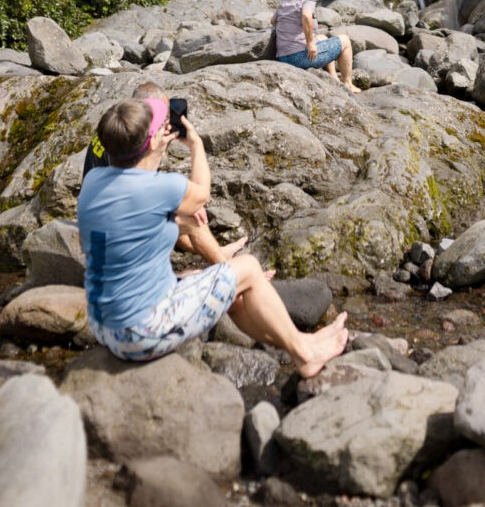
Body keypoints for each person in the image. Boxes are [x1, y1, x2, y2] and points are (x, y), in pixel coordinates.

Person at [77, 97, 349, 370]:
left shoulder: (93, 182)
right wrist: (196, 144)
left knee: (215, 283)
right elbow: (201, 194)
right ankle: (305, 354)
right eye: (161, 127)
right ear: (153, 141)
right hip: (139, 333)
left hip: (104, 325)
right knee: (249, 268)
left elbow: (136, 222)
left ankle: (298, 341)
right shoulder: (161, 187)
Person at [82, 80, 242, 266]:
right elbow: (199, 195)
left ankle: (214, 253)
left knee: (174, 212)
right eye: (163, 114)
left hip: (105, 218)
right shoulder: (139, 157)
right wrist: (196, 144)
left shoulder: (116, 131)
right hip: (125, 229)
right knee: (192, 218)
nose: (167, 120)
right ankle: (225, 268)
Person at [272, 0, 360, 93]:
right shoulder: (307, 1)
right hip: (300, 58)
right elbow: (306, 15)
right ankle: (348, 84)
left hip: (283, 57)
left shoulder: (285, 1)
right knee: (345, 40)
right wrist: (310, 44)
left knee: (322, 37)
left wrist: (289, 28)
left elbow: (273, 21)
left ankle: (334, 79)